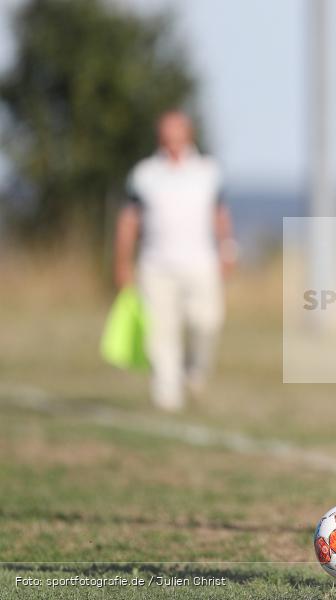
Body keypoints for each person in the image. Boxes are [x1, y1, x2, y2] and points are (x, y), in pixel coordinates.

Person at [114, 110, 235, 412]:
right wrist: (122, 262)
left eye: (176, 130)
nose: (171, 137)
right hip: (156, 265)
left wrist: (228, 249)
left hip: (200, 263)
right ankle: (167, 394)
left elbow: (220, 215)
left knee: (206, 322)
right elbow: (129, 221)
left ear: (188, 133)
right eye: (166, 130)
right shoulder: (145, 174)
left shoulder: (208, 171)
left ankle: (194, 371)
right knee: (160, 331)